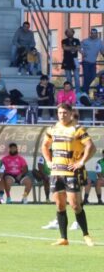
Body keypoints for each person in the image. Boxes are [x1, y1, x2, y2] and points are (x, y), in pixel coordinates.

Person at [42, 103, 96, 247]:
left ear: (71, 113)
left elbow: (91, 147)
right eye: (60, 113)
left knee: (75, 205)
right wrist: (48, 161)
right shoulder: (52, 129)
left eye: (65, 113)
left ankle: (86, 235)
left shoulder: (77, 129)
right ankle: (63, 238)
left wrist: (81, 162)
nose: (62, 115)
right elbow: (44, 146)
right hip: (56, 173)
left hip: (71, 172)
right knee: (60, 205)